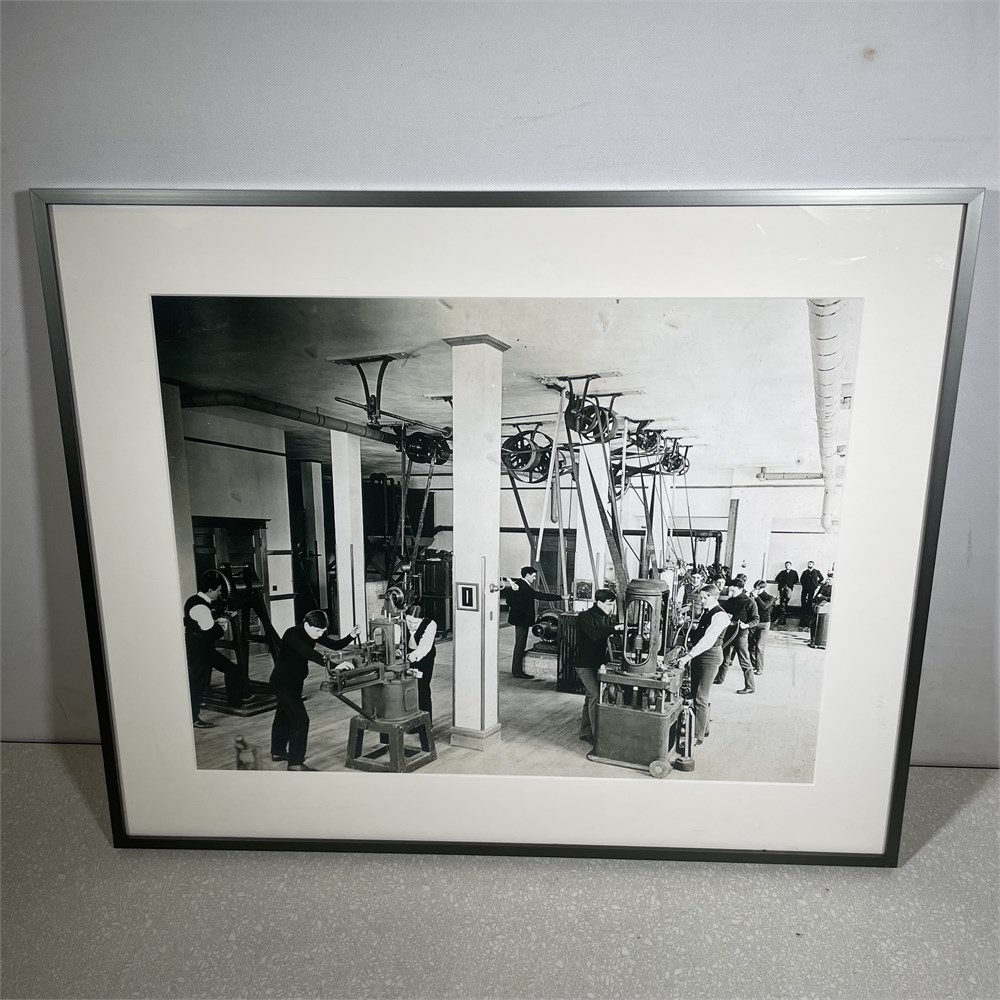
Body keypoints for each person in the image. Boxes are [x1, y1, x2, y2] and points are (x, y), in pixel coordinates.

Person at [269, 610, 361, 771]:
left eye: (322, 631)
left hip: (295, 682)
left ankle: (277, 751)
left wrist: (351, 636)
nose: (320, 635)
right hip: (283, 683)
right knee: (300, 721)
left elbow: (334, 645)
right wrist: (334, 666)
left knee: (283, 714)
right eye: (317, 631)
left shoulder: (314, 631)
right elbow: (310, 654)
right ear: (306, 625)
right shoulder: (292, 634)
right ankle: (295, 763)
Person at [184, 569, 249, 728]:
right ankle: (193, 719)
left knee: (232, 669)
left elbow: (204, 624)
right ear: (210, 590)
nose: (220, 593)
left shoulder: (194, 600)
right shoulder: (202, 608)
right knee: (196, 685)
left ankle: (235, 701)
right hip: (199, 651)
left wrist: (219, 618)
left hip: (201, 648)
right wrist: (222, 625)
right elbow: (212, 632)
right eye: (219, 590)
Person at [677, 586, 732, 744]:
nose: (701, 601)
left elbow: (708, 641)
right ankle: (704, 728)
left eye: (704, 598)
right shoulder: (708, 612)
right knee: (695, 694)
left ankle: (697, 736)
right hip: (700, 656)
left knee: (701, 696)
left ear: (713, 596)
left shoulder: (720, 615)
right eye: (700, 597)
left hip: (710, 656)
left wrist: (688, 656)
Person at [573, 589, 624, 746]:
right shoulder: (585, 616)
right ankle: (597, 736)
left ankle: (585, 732)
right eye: (609, 605)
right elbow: (594, 634)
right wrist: (614, 628)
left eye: (612, 605)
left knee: (590, 696)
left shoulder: (605, 617)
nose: (611, 608)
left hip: (597, 664)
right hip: (584, 665)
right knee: (595, 695)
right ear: (599, 602)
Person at [500, 566, 564, 679]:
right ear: (528, 575)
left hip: (519, 619)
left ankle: (516, 670)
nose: (534, 579)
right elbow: (540, 596)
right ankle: (517, 671)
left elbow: (509, 601)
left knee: (519, 644)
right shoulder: (523, 586)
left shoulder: (517, 584)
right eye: (533, 576)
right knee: (520, 644)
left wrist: (517, 607)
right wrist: (561, 597)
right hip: (521, 620)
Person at [715, 581, 760, 693]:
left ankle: (750, 686)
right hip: (728, 633)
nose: (730, 592)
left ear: (740, 589)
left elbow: (756, 619)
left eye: (732, 590)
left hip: (740, 634)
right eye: (729, 590)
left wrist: (747, 625)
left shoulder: (750, 602)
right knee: (724, 657)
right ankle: (719, 678)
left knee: (744, 660)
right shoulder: (730, 601)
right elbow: (721, 611)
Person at [403, 603, 437, 719]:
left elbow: (424, 648)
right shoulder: (400, 623)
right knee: (406, 689)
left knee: (422, 688)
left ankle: (426, 724)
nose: (411, 625)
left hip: (424, 659)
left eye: (415, 623)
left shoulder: (430, 625)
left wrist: (412, 656)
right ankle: (411, 721)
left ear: (422, 620)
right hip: (405, 658)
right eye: (409, 621)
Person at [748, 580, 776, 675]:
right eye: (755, 588)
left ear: (763, 588)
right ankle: (754, 665)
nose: (756, 590)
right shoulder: (754, 597)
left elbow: (764, 606)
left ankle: (759, 668)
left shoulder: (770, 598)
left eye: (759, 588)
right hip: (753, 623)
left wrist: (756, 597)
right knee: (751, 646)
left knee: (760, 647)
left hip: (764, 624)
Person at [809, 573, 834, 647]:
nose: (828, 580)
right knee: (812, 623)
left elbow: (831, 599)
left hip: (826, 609)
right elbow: (818, 594)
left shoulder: (834, 588)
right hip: (818, 606)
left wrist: (823, 597)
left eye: (830, 579)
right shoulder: (824, 586)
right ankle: (813, 640)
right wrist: (814, 601)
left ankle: (819, 641)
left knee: (820, 625)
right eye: (827, 578)